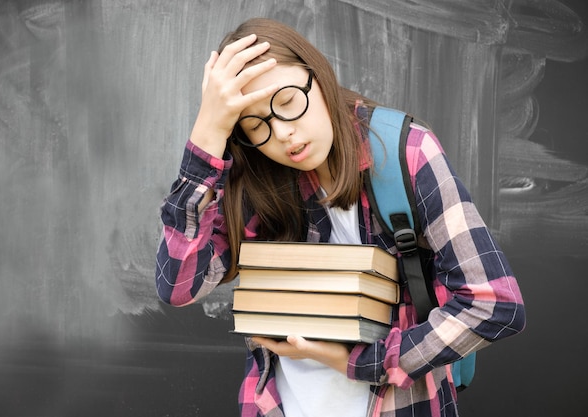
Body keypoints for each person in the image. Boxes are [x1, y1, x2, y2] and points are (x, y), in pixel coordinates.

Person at [155, 17, 525, 417]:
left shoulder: (408, 153)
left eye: (288, 100)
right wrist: (207, 133)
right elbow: (178, 286)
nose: (282, 133)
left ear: (319, 75)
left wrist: (363, 362)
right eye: (255, 124)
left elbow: (495, 304)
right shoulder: (254, 179)